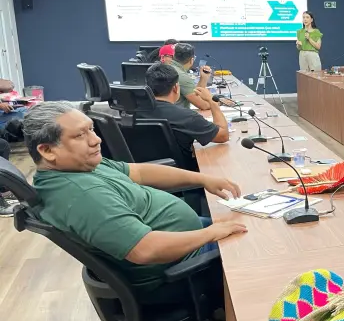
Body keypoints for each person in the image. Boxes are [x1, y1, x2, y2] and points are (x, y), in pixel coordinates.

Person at [23, 102, 247, 301]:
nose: (96, 139)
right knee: (257, 248)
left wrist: (203, 178)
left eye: (91, 129)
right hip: (181, 273)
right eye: (80, 135)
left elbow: (138, 172)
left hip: (185, 243)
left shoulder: (81, 166)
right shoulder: (82, 195)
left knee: (249, 221)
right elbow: (145, 250)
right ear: (47, 150)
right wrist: (210, 233)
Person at [142, 63, 230, 168]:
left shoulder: (130, 112)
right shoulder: (186, 117)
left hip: (135, 173)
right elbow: (223, 135)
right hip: (180, 173)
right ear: (175, 88)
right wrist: (213, 102)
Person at [169, 42, 213, 110]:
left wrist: (204, 78)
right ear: (192, 60)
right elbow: (204, 106)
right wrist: (218, 102)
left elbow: (195, 94)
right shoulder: (181, 76)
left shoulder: (168, 67)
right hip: (178, 114)